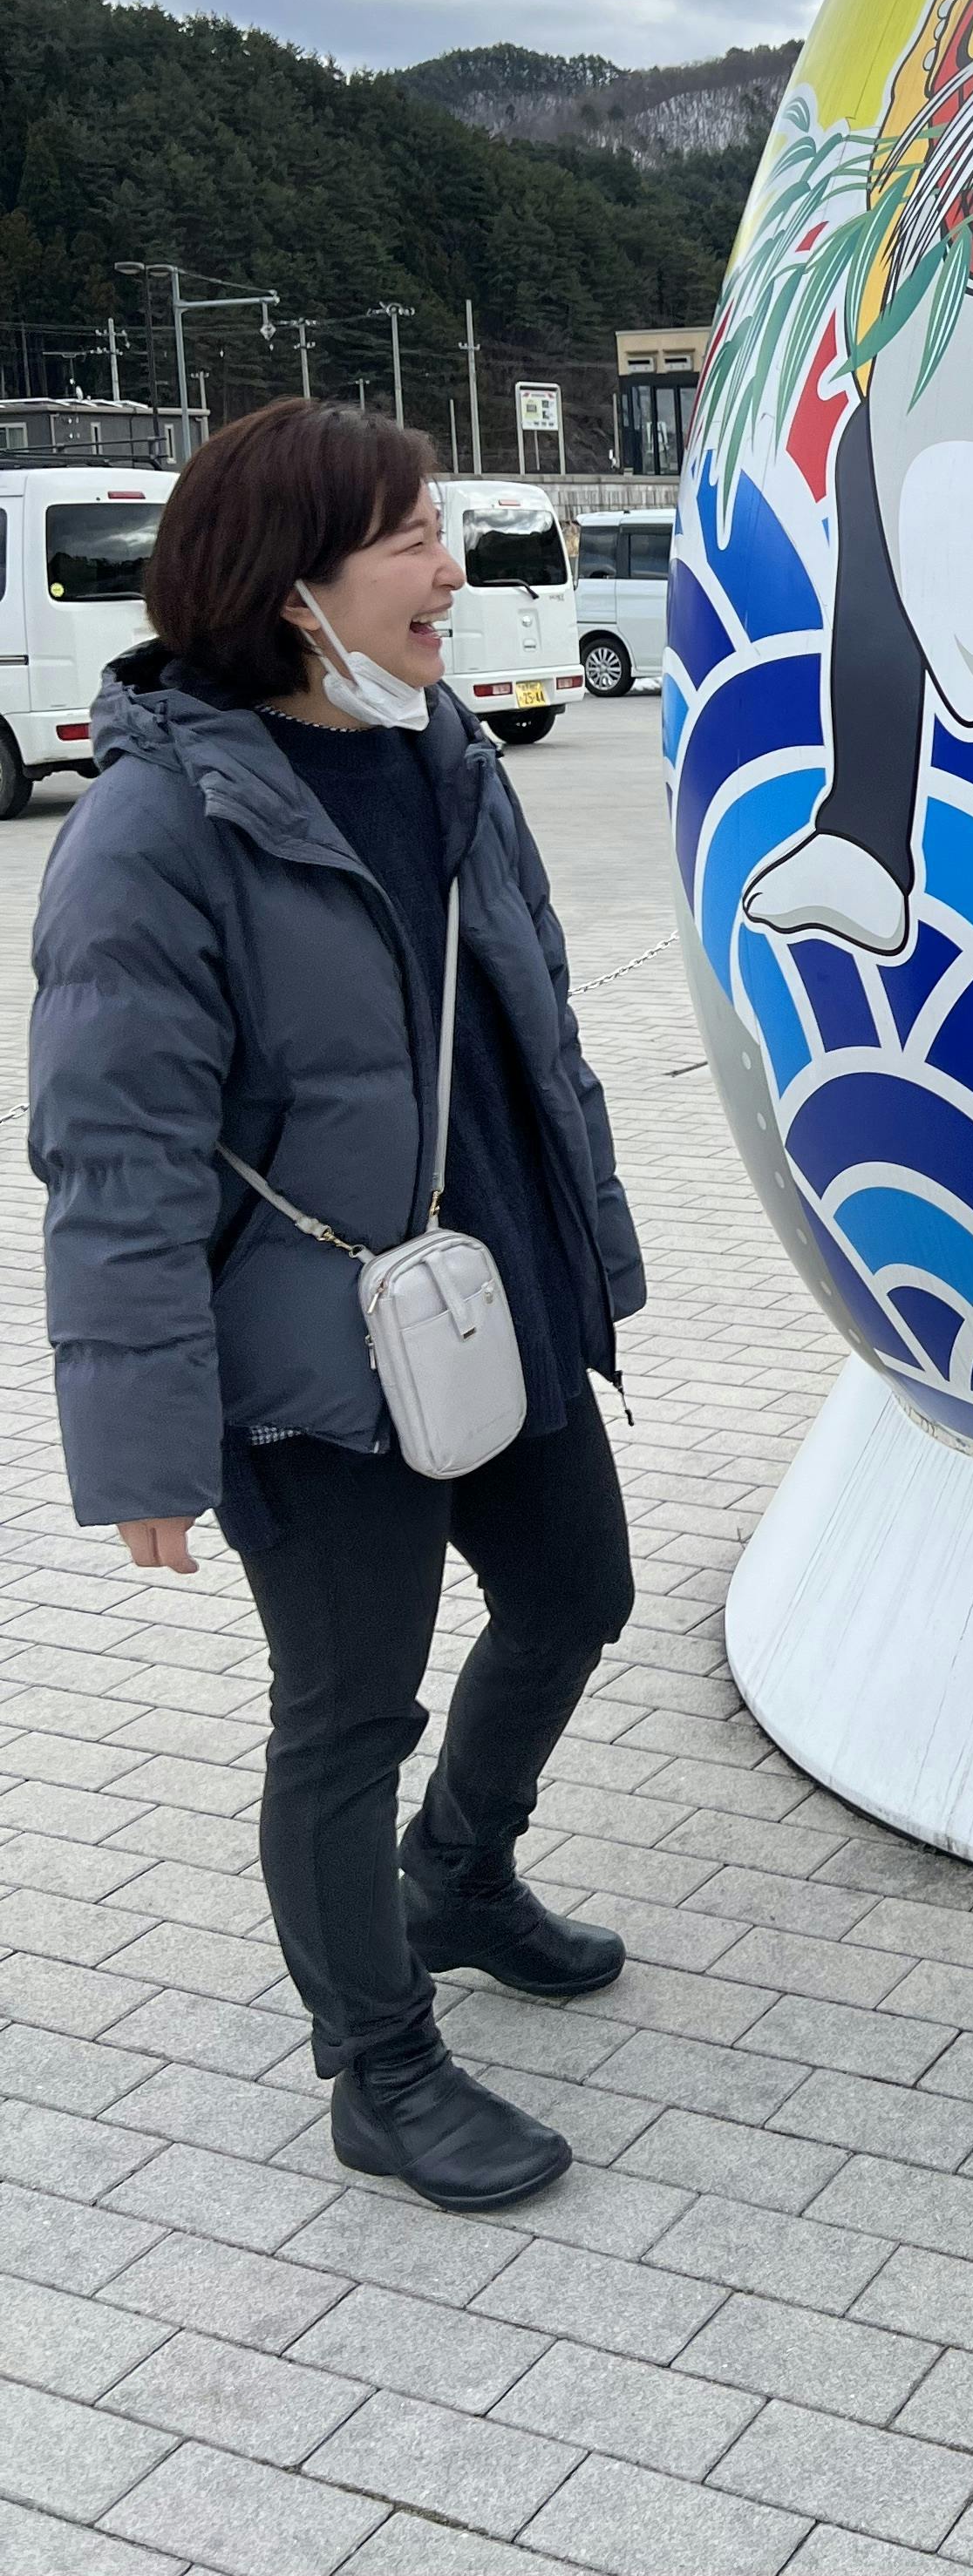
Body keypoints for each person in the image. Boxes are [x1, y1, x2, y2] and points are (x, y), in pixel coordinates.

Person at [31, 399, 646, 2215]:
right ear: (291, 587)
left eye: (444, 528)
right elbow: (116, 1162)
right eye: (409, 540)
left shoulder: (446, 753)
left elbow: (540, 1033)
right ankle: (379, 2066)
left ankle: (456, 1875)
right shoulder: (153, 830)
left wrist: (593, 1252)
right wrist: (143, 1442)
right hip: (306, 1361)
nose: (451, 572)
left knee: (577, 1595)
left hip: (497, 1297)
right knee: (348, 1712)